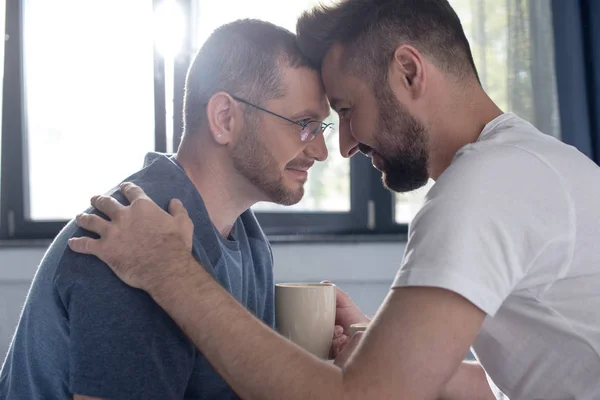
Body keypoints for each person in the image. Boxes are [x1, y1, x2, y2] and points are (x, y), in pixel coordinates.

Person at [68, 0, 600, 399]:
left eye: (343, 111)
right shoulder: (535, 163)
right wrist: (382, 344)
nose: (340, 147)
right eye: (310, 123)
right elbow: (520, 383)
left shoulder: (485, 185)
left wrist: (169, 273)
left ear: (409, 71)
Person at [0, 19, 333, 399]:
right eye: (304, 124)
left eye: (322, 127)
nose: (321, 151)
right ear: (225, 118)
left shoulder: (250, 242)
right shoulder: (128, 242)